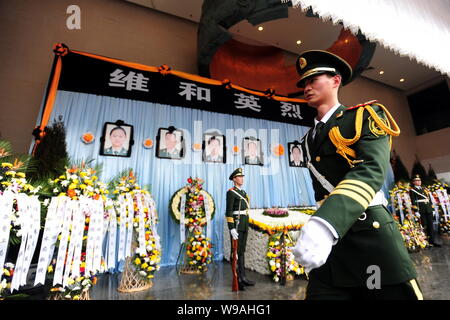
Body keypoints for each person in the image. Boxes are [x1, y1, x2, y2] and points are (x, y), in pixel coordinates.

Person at [292, 50, 421, 300]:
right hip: (332, 251)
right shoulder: (308, 140)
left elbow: (370, 170)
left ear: (335, 80)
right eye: (303, 83)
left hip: (368, 237)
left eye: (313, 79)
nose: (306, 87)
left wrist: (325, 223)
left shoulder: (365, 117)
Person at [225, 168, 255, 290]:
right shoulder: (231, 193)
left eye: (243, 176)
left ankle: (243, 277)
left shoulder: (243, 193)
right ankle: (236, 278)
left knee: (241, 251)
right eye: (239, 176)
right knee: (235, 252)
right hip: (236, 225)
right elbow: (229, 211)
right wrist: (231, 228)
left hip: (243, 224)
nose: (242, 178)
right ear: (234, 179)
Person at [409, 175, 440, 247]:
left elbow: (429, 200)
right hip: (421, 210)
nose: (419, 182)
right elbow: (413, 201)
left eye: (419, 180)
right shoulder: (412, 190)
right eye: (417, 180)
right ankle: (425, 243)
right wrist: (416, 211)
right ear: (414, 182)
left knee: (430, 226)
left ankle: (432, 242)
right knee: (424, 226)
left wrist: (432, 209)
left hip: (428, 209)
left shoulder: (424, 189)